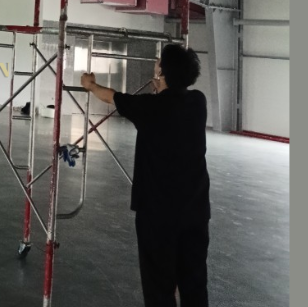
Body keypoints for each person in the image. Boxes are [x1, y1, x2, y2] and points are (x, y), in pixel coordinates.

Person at [80, 45, 210, 307]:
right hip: (195, 212)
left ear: (163, 74)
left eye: (157, 66)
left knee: (159, 286)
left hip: (158, 215)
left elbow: (111, 97)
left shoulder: (150, 107)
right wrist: (162, 86)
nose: (154, 70)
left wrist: (90, 85)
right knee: (194, 285)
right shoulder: (198, 102)